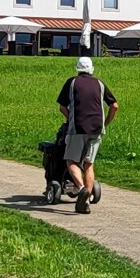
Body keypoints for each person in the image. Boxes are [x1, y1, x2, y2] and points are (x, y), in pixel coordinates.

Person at [55, 56, 118, 214]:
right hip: (97, 129)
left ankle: (82, 189)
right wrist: (105, 123)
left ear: (77, 68)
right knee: (88, 164)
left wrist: (70, 118)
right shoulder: (100, 83)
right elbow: (115, 106)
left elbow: (62, 107)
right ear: (91, 69)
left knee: (71, 161)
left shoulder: (72, 82)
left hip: (78, 128)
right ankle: (86, 201)